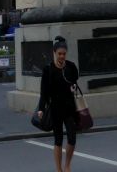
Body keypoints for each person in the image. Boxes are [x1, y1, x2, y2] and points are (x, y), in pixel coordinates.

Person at [36, 37, 80, 172]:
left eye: (64, 54)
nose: (62, 56)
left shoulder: (71, 67)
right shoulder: (48, 69)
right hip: (55, 108)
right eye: (59, 53)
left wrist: (72, 87)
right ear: (54, 53)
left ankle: (67, 165)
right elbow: (44, 92)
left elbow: (75, 82)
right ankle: (59, 169)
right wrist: (41, 109)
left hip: (69, 108)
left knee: (72, 137)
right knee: (58, 139)